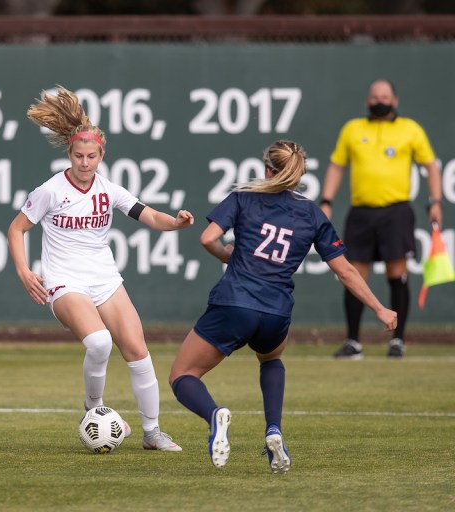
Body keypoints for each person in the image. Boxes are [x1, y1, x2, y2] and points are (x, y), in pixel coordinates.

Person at [169, 140, 397, 473]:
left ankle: (214, 415)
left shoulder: (243, 197)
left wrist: (225, 254)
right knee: (271, 358)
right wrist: (379, 308)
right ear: (299, 175)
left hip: (235, 302)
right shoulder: (311, 213)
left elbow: (207, 238)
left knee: (182, 375)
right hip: (276, 313)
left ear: (267, 169)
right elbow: (346, 271)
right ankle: (273, 429)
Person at [7, 86, 194, 452]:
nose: (85, 163)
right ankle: (93, 408)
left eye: (92, 156)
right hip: (64, 281)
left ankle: (152, 433)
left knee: (138, 351)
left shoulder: (108, 190)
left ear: (101, 155)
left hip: (105, 279)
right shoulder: (50, 190)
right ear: (70, 154)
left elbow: (149, 215)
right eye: (79, 156)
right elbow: (17, 229)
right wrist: (25, 271)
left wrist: (176, 223)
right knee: (98, 341)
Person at [321, 79, 443, 359]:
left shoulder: (410, 129)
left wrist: (435, 202)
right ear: (367, 101)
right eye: (375, 96)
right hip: (361, 212)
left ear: (395, 101)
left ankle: (397, 340)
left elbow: (430, 166)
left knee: (396, 273)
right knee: (353, 273)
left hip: (396, 211)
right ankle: (353, 342)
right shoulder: (353, 129)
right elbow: (337, 166)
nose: (380, 100)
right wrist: (326, 200)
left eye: (385, 96)